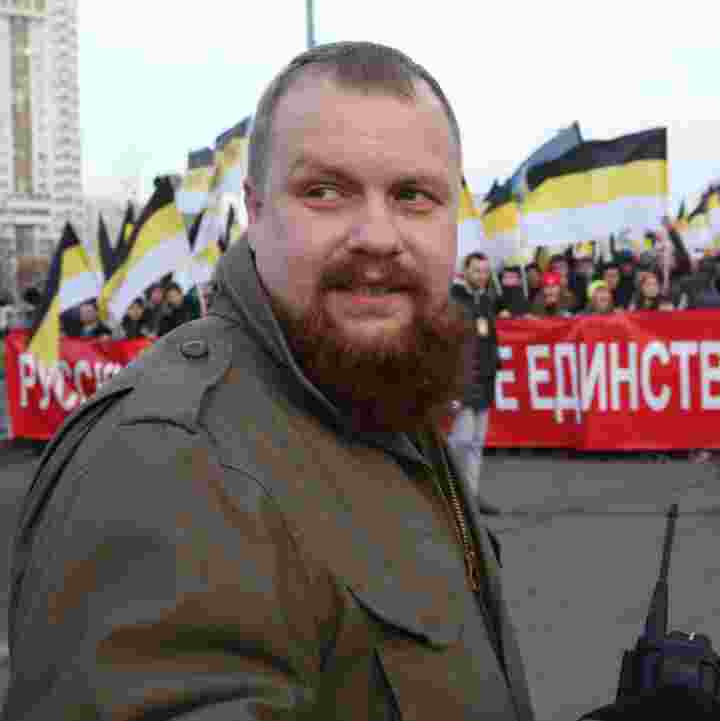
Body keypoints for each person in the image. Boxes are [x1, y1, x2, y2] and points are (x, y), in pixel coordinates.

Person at [5, 41, 536, 719]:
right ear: (255, 212)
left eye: (413, 196)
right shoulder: (167, 466)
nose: (378, 234)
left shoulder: (383, 393)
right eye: (324, 191)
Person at [448, 251, 502, 516]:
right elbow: (449, 346)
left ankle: (470, 495)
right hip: (463, 380)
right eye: (477, 270)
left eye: (485, 271)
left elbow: (491, 340)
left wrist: (494, 369)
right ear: (465, 271)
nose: (482, 275)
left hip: (485, 379)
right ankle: (451, 493)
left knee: (477, 442)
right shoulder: (454, 300)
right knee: (461, 440)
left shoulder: (486, 301)